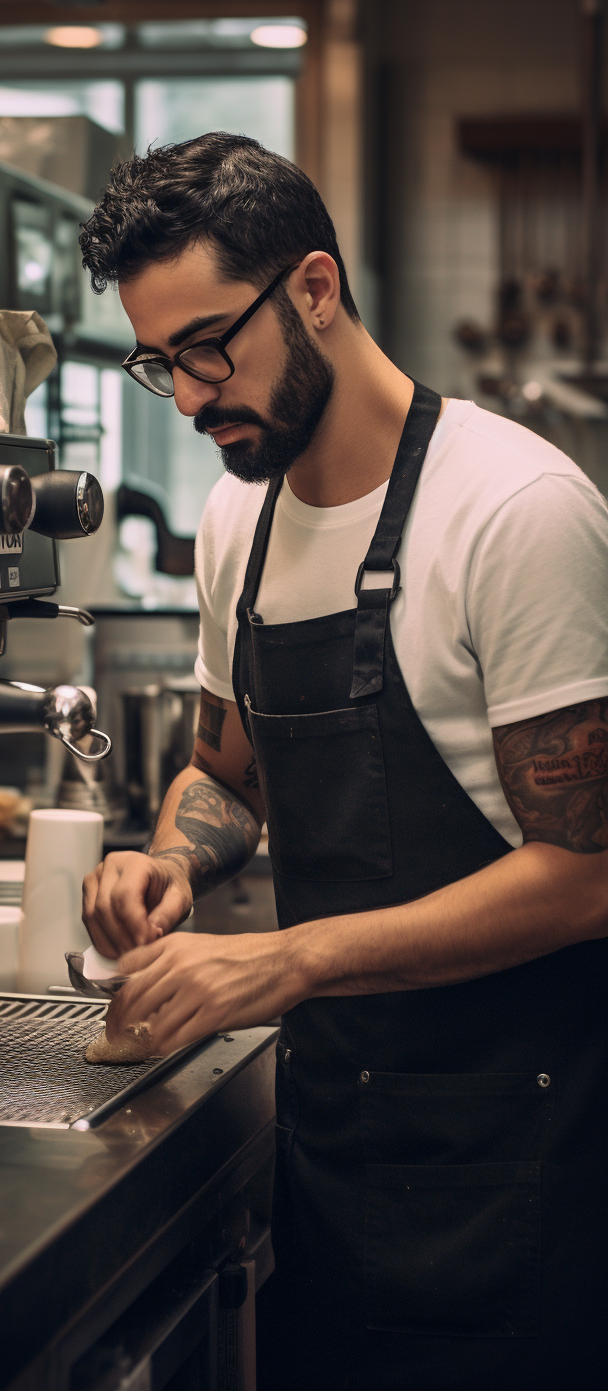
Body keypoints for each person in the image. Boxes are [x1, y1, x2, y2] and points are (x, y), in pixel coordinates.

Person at [78, 133, 608, 1389]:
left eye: (212, 345)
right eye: (162, 366)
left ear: (315, 288)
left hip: (521, 1163)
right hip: (339, 1149)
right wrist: (167, 863)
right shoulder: (235, 518)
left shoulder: (515, 511)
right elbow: (230, 775)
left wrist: (288, 957)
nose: (195, 396)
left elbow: (590, 871)